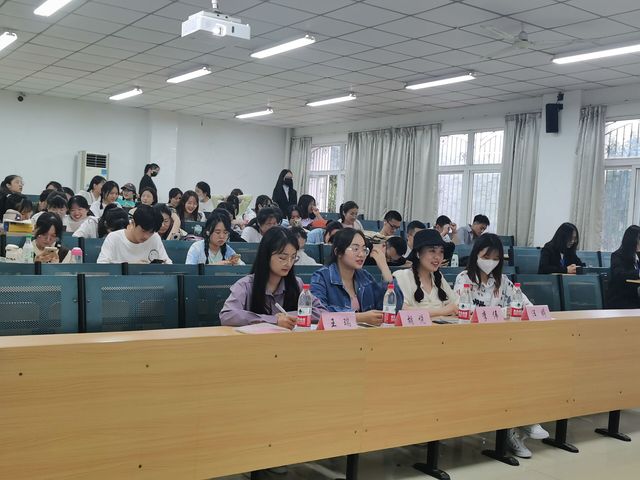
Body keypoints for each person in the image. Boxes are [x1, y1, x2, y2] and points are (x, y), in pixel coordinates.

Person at [453, 233, 546, 459]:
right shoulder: (464, 279)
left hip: (501, 345)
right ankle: (517, 427)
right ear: (476, 254)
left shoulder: (503, 282)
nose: (491, 262)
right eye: (486, 257)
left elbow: (525, 305)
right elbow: (463, 311)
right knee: (507, 372)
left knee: (526, 365)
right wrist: (503, 312)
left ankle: (524, 421)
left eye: (496, 258)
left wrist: (510, 311)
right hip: (472, 346)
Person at [220, 227, 324, 328]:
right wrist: (274, 320)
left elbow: (322, 311)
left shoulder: (297, 284)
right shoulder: (245, 285)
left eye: (293, 257)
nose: (289, 263)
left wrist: (290, 316)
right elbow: (227, 315)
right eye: (282, 258)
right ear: (266, 255)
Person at [311, 228, 402, 325]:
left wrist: (384, 268)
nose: (361, 254)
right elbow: (318, 312)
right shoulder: (321, 277)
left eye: (364, 249)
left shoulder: (365, 277)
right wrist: (358, 317)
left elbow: (393, 309)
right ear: (338, 252)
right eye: (355, 249)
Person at [393, 229, 458, 315]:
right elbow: (401, 309)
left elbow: (457, 303)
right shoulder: (403, 276)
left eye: (441, 252)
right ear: (418, 254)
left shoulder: (438, 277)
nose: (437, 257)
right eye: (432, 251)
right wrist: (443, 311)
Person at [97, 204, 171, 264]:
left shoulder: (155, 237)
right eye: (143, 231)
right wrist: (132, 268)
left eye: (151, 232)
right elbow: (102, 267)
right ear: (133, 223)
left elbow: (167, 263)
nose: (146, 236)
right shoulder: (114, 238)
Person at [607, 225, 640, 309]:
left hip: (634, 298)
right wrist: (638, 273)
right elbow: (619, 274)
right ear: (632, 240)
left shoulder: (636, 255)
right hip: (620, 299)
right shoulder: (617, 255)